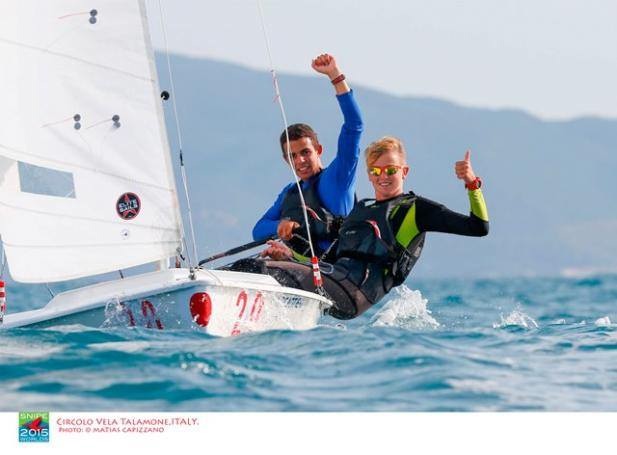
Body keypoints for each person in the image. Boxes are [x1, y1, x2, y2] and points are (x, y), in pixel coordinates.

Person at [242, 136, 489, 320]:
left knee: (260, 269)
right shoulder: (361, 209)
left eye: (390, 170)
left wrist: (472, 184)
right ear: (369, 175)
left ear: (404, 171)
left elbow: (478, 227)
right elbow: (326, 260)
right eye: (376, 171)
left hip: (355, 293)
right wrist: (289, 256)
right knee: (254, 263)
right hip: (331, 279)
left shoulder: (415, 209)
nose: (383, 176)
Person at [252, 53, 363, 260]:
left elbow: (354, 125)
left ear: (318, 150)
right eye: (292, 156)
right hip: (301, 267)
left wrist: (335, 75)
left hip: (336, 271)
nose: (300, 160)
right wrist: (282, 225)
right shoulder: (290, 192)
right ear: (286, 160)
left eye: (305, 152)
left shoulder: (339, 177)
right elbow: (258, 230)